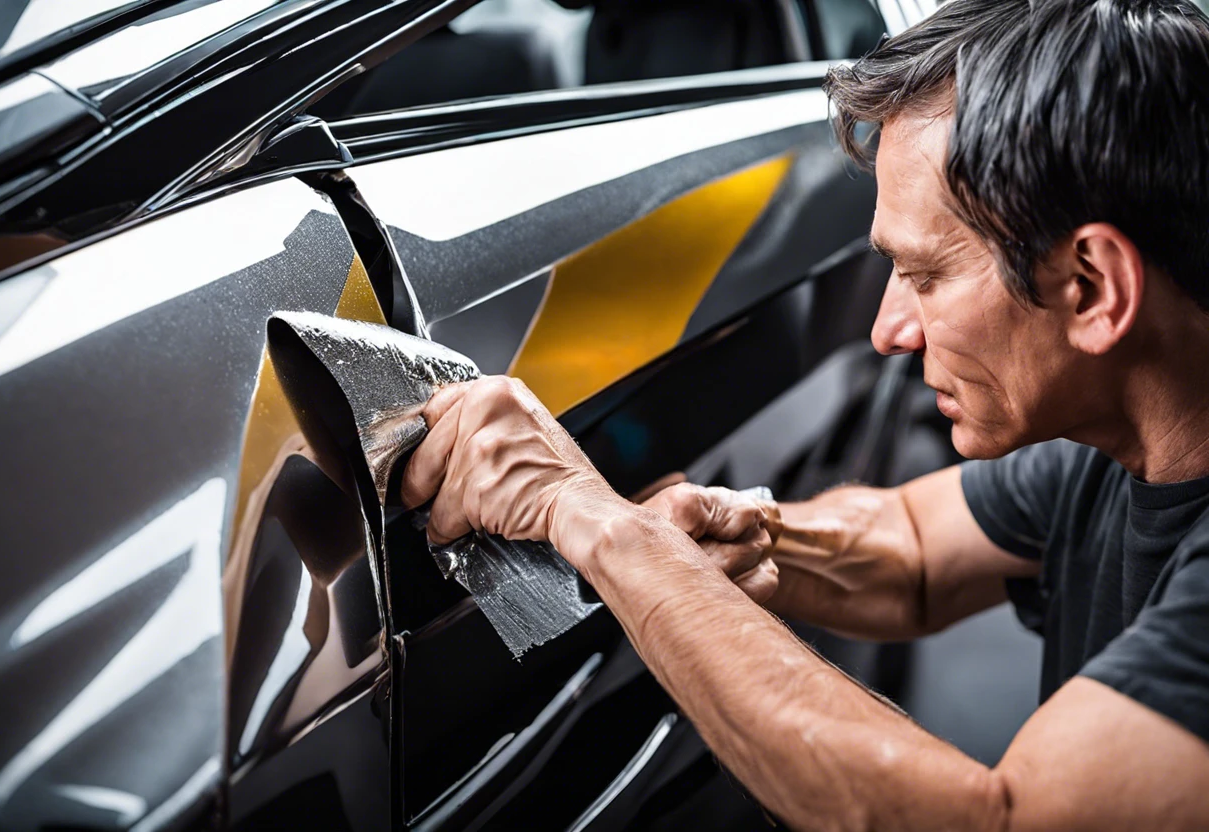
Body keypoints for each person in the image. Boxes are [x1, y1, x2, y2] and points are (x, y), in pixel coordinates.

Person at [401, 0, 1209, 828]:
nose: (888, 333)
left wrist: (605, 530)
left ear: (1092, 287)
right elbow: (921, 552)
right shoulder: (1132, 436)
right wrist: (735, 532)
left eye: (925, 276)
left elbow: (1000, 819)